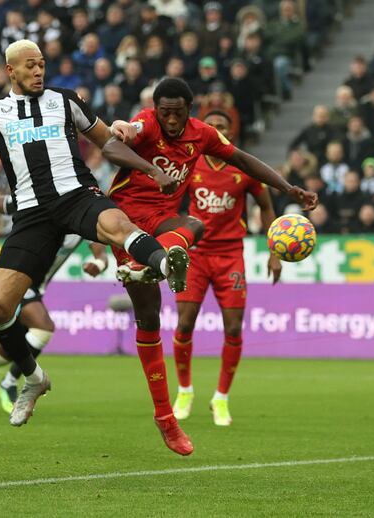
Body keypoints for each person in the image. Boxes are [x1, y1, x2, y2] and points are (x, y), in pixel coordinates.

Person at [0, 40, 194, 429]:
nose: (39, 71)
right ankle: (34, 379)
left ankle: (165, 265)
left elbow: (108, 143)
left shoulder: (65, 100)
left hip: (75, 195)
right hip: (32, 214)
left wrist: (152, 170)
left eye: (42, 65)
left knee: (119, 226)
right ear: (10, 72)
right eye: (30, 66)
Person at [109, 79, 317, 451]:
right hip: (125, 222)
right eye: (164, 112)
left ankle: (158, 264)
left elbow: (245, 162)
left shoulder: (202, 137)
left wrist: (289, 188)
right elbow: (112, 144)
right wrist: (150, 167)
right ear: (156, 110)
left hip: (183, 232)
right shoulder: (147, 124)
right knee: (154, 317)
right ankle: (180, 394)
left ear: (191, 109)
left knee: (194, 226)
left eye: (178, 113)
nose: (171, 121)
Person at [0, 194, 110, 415]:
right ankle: (9, 382)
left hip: (36, 288)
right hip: (17, 280)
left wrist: (98, 263)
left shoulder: (80, 214)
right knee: (43, 327)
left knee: (3, 352)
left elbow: (101, 254)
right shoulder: (39, 197)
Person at [170, 111, 282, 426]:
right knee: (184, 324)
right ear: (205, 131)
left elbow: (266, 206)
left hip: (231, 254)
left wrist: (274, 252)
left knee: (233, 328)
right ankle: (185, 390)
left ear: (229, 132)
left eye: (222, 127)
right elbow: (168, 202)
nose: (217, 130)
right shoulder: (190, 164)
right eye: (212, 126)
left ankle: (221, 398)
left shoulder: (244, 167)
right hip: (196, 253)